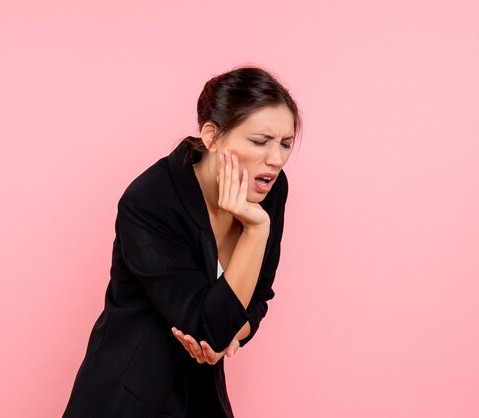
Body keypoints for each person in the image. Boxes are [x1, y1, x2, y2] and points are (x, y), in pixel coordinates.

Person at [62, 65, 302, 418]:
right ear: (212, 135)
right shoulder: (149, 201)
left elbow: (257, 299)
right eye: (259, 141)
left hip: (201, 394)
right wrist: (255, 231)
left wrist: (230, 337)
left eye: (285, 144)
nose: (276, 159)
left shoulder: (270, 188)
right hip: (127, 398)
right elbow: (207, 326)